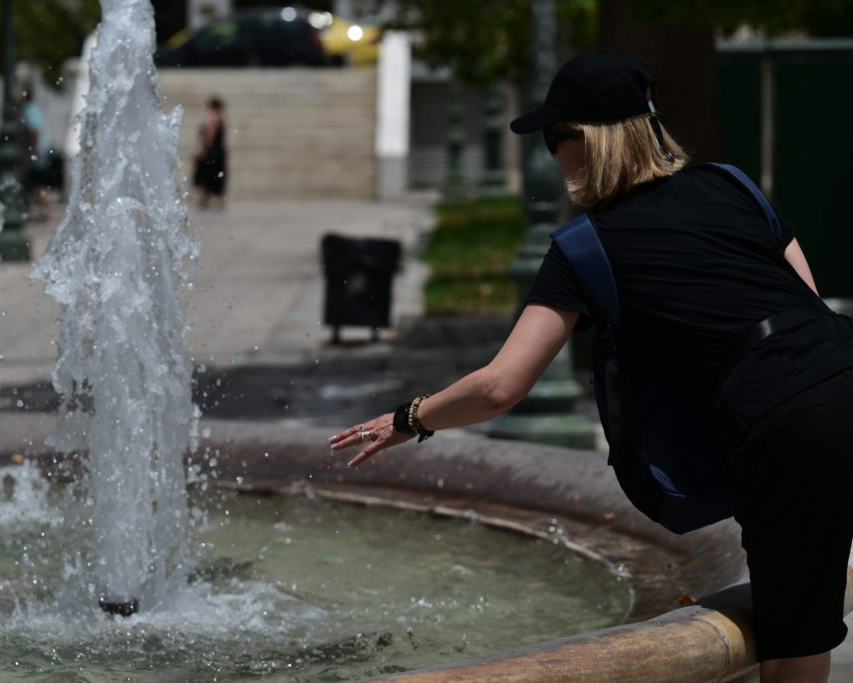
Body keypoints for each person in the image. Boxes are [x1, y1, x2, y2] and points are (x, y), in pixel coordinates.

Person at [329, 50, 853, 683]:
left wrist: (410, 418)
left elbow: (500, 387)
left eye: (555, 138)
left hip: (789, 426)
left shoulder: (583, 246)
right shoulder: (732, 184)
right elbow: (805, 299)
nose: (552, 156)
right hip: (840, 366)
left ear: (591, 143)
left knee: (793, 635)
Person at [19, 84, 53, 221]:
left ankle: (46, 211)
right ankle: (33, 210)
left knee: (38, 183)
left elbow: (35, 131)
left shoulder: (29, 110)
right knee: (31, 182)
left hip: (37, 152)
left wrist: (34, 150)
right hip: (39, 150)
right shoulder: (33, 108)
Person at [193, 96, 228, 210]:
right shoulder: (220, 118)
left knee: (207, 175)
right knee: (218, 175)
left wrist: (203, 151)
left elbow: (209, 137)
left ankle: (205, 199)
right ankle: (219, 200)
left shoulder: (211, 118)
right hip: (219, 152)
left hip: (211, 152)